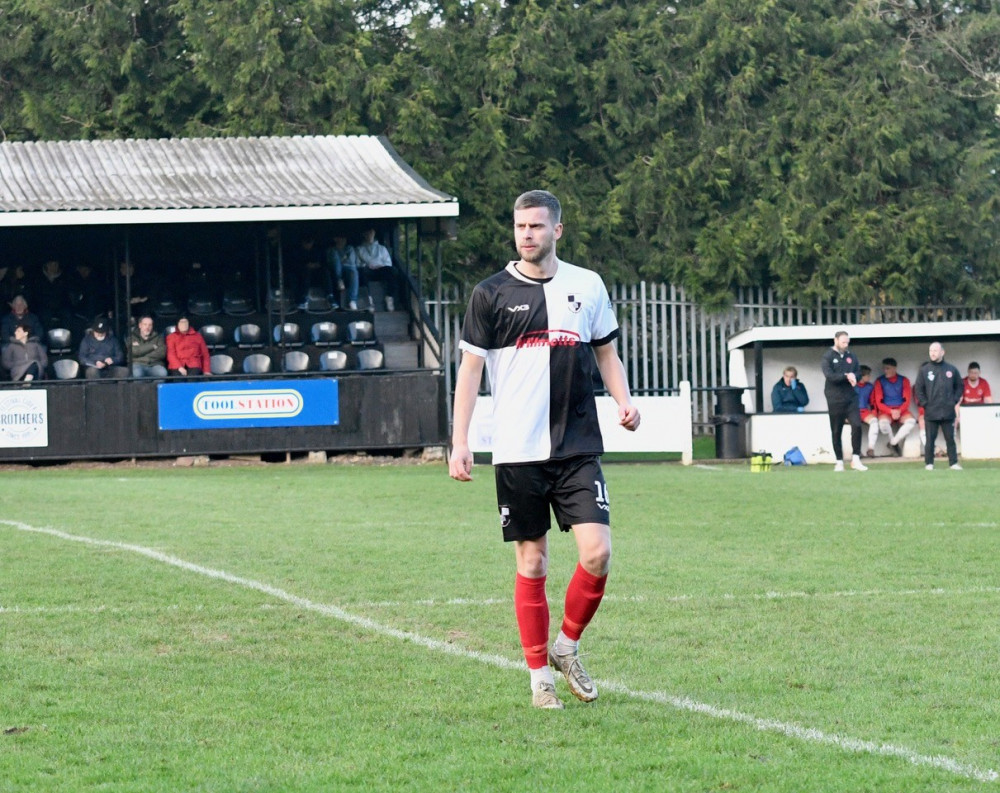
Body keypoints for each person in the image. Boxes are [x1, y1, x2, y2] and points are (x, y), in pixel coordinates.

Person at [449, 190, 641, 710]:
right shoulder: (489, 294)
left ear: (558, 229)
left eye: (536, 225)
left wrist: (624, 401)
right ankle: (540, 678)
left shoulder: (588, 286)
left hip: (577, 445)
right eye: (519, 226)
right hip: (517, 450)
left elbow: (607, 352)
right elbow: (469, 371)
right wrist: (460, 440)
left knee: (598, 553)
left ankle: (567, 646)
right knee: (532, 563)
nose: (526, 234)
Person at [820, 330, 867, 472]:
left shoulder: (851, 356)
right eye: (843, 342)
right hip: (834, 398)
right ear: (836, 340)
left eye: (847, 342)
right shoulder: (827, 356)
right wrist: (847, 376)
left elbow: (859, 373)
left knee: (857, 426)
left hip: (851, 397)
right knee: (836, 430)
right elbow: (830, 376)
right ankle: (839, 461)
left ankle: (856, 459)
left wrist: (855, 376)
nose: (846, 345)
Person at [914, 341, 964, 470]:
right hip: (931, 411)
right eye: (931, 351)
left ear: (942, 352)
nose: (932, 353)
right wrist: (925, 403)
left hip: (948, 410)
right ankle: (929, 463)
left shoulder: (951, 369)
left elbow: (959, 386)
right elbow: (918, 389)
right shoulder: (924, 370)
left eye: (935, 350)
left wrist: (954, 400)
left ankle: (953, 463)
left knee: (950, 439)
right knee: (930, 439)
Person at [871, 357, 916, 457]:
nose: (885, 371)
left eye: (887, 368)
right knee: (883, 423)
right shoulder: (879, 381)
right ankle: (894, 443)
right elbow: (879, 402)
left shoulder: (904, 380)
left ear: (894, 368)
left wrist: (899, 410)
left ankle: (893, 443)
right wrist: (891, 411)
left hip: (901, 410)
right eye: (884, 368)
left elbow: (907, 400)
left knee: (911, 421)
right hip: (886, 410)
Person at [356, 227, 400, 311]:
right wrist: (367, 265)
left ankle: (389, 297)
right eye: (367, 233)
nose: (369, 235)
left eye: (371, 233)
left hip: (381, 270)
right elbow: (357, 264)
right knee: (360, 272)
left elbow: (388, 263)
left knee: (393, 271)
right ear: (364, 235)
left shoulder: (382, 248)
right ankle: (369, 300)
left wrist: (380, 265)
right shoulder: (359, 249)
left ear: (374, 234)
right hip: (367, 271)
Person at [328, 234, 360, 310]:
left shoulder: (349, 248)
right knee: (336, 258)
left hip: (347, 270)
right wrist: (343, 259)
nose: (343, 240)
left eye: (344, 238)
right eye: (341, 237)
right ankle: (339, 280)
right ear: (335, 239)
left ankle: (352, 300)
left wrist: (340, 261)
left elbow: (351, 262)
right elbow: (329, 262)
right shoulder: (331, 250)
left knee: (354, 272)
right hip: (334, 272)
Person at [855, 365, 879, 457]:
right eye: (867, 375)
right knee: (855, 426)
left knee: (874, 422)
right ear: (861, 376)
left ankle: (870, 448)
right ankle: (857, 451)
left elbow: (872, 402)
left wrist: (874, 413)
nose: (869, 377)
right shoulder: (852, 386)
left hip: (864, 411)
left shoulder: (869, 387)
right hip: (853, 411)